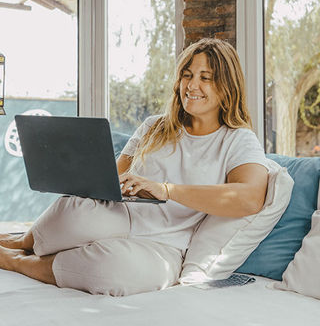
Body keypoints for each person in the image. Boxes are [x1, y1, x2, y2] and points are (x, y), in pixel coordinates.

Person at [0, 38, 268, 296]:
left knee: (112, 271)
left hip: (166, 244)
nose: (191, 85)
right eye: (187, 75)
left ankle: (18, 261)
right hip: (122, 216)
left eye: (205, 78)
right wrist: (84, 178)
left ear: (227, 86)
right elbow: (113, 177)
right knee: (72, 210)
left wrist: (166, 190)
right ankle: (23, 242)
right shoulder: (155, 126)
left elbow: (250, 198)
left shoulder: (237, 139)